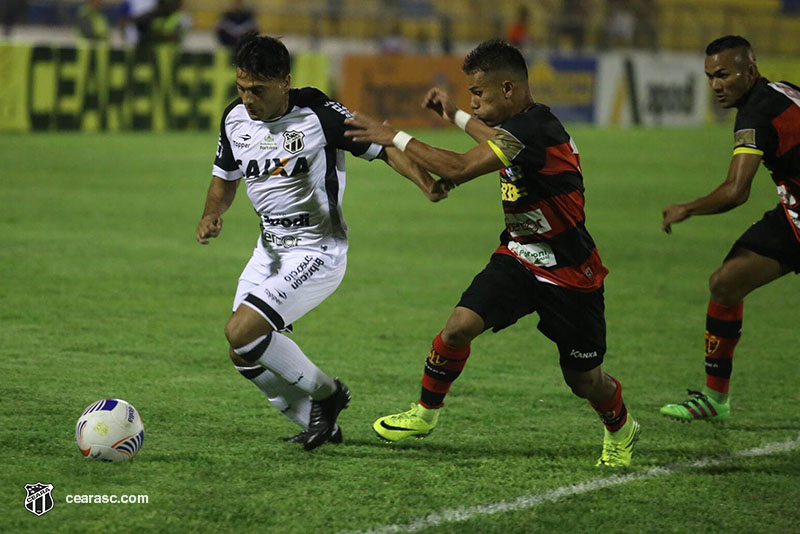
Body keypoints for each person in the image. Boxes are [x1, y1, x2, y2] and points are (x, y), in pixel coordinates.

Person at [345, 39, 640, 467]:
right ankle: (425, 414)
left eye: (478, 94)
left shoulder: (536, 129)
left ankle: (621, 427)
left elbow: (461, 168)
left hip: (571, 272)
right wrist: (454, 113)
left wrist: (396, 135)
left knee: (584, 380)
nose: (474, 102)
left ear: (508, 89)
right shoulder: (524, 128)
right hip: (520, 256)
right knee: (457, 328)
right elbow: (490, 140)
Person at [196, 33, 446, 451]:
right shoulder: (234, 119)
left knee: (242, 331)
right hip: (269, 251)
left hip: (317, 250)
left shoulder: (319, 114)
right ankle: (318, 425)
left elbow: (384, 149)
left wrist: (424, 182)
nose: (247, 99)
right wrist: (211, 214)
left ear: (285, 83)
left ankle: (329, 394)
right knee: (243, 352)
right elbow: (224, 178)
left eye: (257, 90)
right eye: (241, 88)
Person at [660, 35, 800, 422]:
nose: (715, 86)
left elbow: (736, 192)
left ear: (750, 70)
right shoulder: (780, 89)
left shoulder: (756, 114)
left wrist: (687, 208)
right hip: (794, 213)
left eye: (723, 75)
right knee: (726, 282)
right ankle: (715, 398)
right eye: (709, 77)